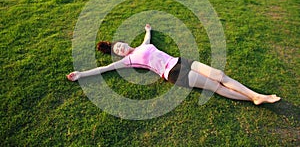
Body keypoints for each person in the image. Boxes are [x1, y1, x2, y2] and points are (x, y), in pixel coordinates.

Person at [67, 24, 281, 105]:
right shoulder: (127, 61)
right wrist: (81, 74)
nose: (121, 49)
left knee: (220, 74)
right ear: (119, 55)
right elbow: (103, 69)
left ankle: (254, 96)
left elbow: (148, 37)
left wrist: (148, 30)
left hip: (181, 61)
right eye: (117, 51)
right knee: (215, 87)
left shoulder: (142, 45)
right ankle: (255, 97)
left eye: (120, 45)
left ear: (123, 42)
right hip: (173, 74)